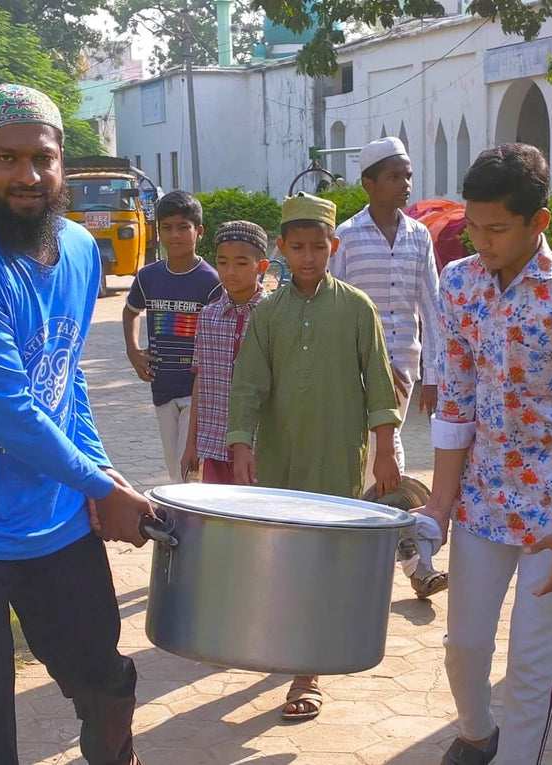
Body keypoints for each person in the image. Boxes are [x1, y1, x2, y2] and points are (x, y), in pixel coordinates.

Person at [0, 83, 151, 765]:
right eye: (6, 159)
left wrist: (100, 472)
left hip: (52, 523)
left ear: (61, 165)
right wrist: (104, 491)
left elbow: (64, 375)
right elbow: (11, 413)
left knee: (106, 682)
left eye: (41, 159)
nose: (27, 176)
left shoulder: (79, 249)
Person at [417, 144, 552, 765]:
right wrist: (437, 504)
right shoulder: (458, 286)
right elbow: (454, 403)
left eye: (497, 229)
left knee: (531, 668)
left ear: (538, 222)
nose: (480, 242)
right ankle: (476, 734)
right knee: (463, 645)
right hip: (482, 501)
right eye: (473, 226)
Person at [226, 192, 402, 722]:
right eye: (297, 247)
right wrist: (240, 443)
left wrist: (386, 449)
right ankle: (284, 643)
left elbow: (379, 382)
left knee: (325, 553)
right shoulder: (268, 313)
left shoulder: (356, 307)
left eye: (317, 247)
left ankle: (307, 673)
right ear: (280, 248)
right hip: (280, 456)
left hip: (336, 451)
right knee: (285, 551)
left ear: (334, 247)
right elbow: (248, 383)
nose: (307, 257)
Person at [332, 137, 442, 489]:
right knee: (374, 445)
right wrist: (361, 366)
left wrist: (434, 376)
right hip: (356, 366)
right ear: (369, 184)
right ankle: (380, 523)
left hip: (405, 365)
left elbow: (432, 308)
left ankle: (384, 524)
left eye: (407, 176)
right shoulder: (346, 237)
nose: (405, 185)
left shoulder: (420, 236)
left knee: (386, 441)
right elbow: (334, 308)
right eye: (394, 177)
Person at [122, 190, 221, 483]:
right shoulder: (148, 277)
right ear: (158, 231)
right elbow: (130, 312)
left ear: (198, 231)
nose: (175, 235)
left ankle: (190, 525)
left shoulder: (211, 281)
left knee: (188, 468)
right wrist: (133, 351)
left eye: (183, 227)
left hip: (196, 389)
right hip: (161, 386)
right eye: (167, 227)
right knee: (172, 467)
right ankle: (183, 524)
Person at [181, 220, 269, 484]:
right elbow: (201, 379)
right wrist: (191, 444)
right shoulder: (208, 317)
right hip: (215, 445)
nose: (230, 272)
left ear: (261, 267)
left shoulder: (273, 316)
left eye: (241, 263)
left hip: (261, 447)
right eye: (222, 262)